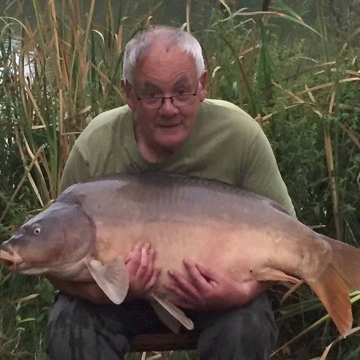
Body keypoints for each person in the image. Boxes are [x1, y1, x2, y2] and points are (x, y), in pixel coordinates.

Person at [45, 25, 295, 360]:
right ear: (128, 93)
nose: (169, 108)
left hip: (216, 296)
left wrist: (240, 291)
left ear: (203, 86)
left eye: (182, 91)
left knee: (246, 324)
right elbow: (57, 261)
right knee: (70, 322)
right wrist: (110, 292)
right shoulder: (96, 145)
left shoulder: (240, 136)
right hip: (116, 299)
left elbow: (286, 240)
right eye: (151, 94)